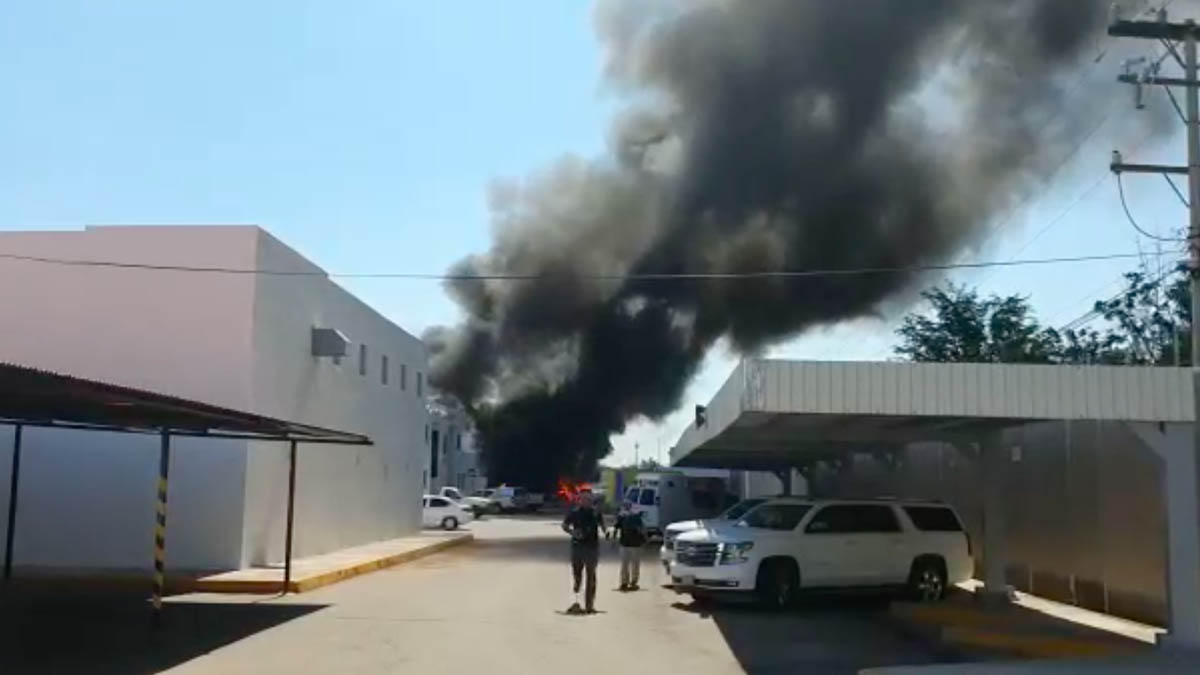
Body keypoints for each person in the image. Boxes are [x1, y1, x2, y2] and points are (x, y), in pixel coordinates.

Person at [561, 491, 608, 614]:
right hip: (578, 547)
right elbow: (564, 525)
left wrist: (606, 532)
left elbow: (603, 525)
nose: (586, 501)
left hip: (592, 548)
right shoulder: (575, 512)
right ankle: (576, 601)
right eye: (583, 499)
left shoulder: (596, 513)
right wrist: (572, 532)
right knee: (577, 575)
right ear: (579, 500)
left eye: (588, 499)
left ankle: (589, 606)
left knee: (591, 576)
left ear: (591, 500)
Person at [612, 500, 646, 591]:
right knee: (632, 565)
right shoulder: (630, 517)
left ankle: (627, 582)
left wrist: (613, 541)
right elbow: (642, 529)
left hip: (629, 544)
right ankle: (630, 582)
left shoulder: (626, 517)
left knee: (626, 565)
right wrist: (645, 540)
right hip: (631, 544)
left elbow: (616, 528)